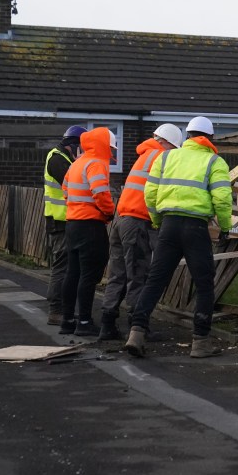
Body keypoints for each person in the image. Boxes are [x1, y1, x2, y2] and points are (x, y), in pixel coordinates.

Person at [125, 116, 232, 359]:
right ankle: (200, 342)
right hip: (195, 227)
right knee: (204, 284)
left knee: (155, 280)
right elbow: (223, 199)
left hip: (169, 225)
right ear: (210, 138)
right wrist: (225, 227)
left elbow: (150, 192)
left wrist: (157, 221)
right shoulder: (214, 161)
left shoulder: (165, 157)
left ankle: (136, 334)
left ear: (188, 136)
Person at [97, 124, 183, 341]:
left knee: (117, 274)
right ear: (170, 143)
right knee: (138, 275)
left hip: (120, 220)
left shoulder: (145, 154)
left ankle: (107, 324)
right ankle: (137, 327)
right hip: (138, 222)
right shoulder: (162, 157)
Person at [59, 127, 117, 336]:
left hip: (73, 224)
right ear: (104, 145)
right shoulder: (96, 164)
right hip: (90, 226)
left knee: (72, 273)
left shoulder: (77, 163)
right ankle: (84, 321)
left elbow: (65, 189)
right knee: (89, 276)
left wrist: (75, 207)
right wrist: (109, 213)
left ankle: (67, 321)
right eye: (111, 148)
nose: (111, 153)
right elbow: (100, 193)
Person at [43, 125, 87, 325]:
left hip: (66, 220)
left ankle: (62, 310)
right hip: (59, 221)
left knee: (67, 266)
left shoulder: (63, 157)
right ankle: (56, 311)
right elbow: (73, 181)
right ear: (74, 145)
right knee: (61, 267)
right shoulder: (57, 159)